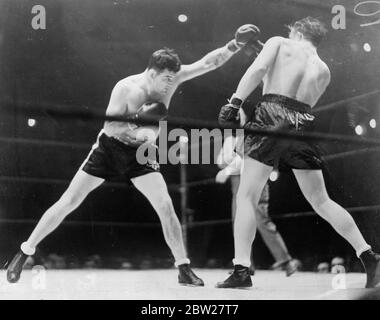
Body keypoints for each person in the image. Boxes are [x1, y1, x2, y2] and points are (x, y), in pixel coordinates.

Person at [7, 24, 262, 285]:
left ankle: (183, 268)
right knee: (70, 200)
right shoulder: (126, 89)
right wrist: (141, 127)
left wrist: (235, 44)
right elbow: (111, 126)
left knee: (165, 206)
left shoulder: (172, 78)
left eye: (172, 79)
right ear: (152, 73)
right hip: (111, 147)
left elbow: (208, 62)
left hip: (141, 154)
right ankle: (24, 251)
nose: (168, 85)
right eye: (164, 79)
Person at [216, 17, 380, 289]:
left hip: (271, 115)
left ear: (296, 31)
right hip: (303, 123)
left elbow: (260, 71)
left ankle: (241, 270)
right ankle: (368, 254)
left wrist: (235, 103)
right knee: (321, 200)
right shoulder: (324, 69)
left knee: (246, 196)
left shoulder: (279, 42)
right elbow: (296, 95)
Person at [216, 134, 298, 276]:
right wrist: (234, 161)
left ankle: (286, 261)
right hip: (238, 185)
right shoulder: (230, 139)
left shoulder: (254, 130)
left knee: (261, 221)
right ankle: (244, 266)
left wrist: (230, 166)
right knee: (239, 225)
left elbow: (250, 159)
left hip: (256, 182)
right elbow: (220, 161)